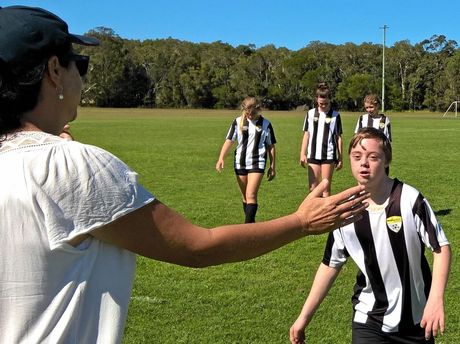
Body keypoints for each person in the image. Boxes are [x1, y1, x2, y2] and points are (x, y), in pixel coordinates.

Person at [0, 6, 370, 343]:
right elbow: (197, 246)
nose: (80, 73)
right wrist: (301, 222)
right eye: (77, 62)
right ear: (53, 72)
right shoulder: (73, 167)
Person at [290, 128, 451, 344]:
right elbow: (330, 265)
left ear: (386, 161)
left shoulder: (410, 200)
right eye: (357, 157)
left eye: (373, 157)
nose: (364, 163)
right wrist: (303, 317)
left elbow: (441, 248)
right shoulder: (344, 211)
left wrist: (435, 300)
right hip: (369, 319)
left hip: (418, 320)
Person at [216, 96, 276, 223]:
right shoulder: (238, 122)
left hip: (257, 162)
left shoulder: (266, 124)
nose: (249, 115)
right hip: (240, 163)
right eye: (247, 113)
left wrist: (272, 166)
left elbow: (271, 146)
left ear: (258, 110)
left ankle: (248, 227)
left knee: (251, 195)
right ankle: (251, 224)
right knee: (245, 197)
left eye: (252, 113)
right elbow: (229, 140)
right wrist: (221, 158)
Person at [299, 83, 343, 197]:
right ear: (316, 99)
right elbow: (306, 134)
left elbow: (338, 137)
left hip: (328, 155)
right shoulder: (310, 113)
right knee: (313, 188)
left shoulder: (335, 116)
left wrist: (340, 157)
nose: (323, 106)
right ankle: (314, 214)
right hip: (313, 154)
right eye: (320, 103)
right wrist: (302, 153)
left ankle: (326, 215)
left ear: (330, 99)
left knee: (325, 189)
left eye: (326, 103)